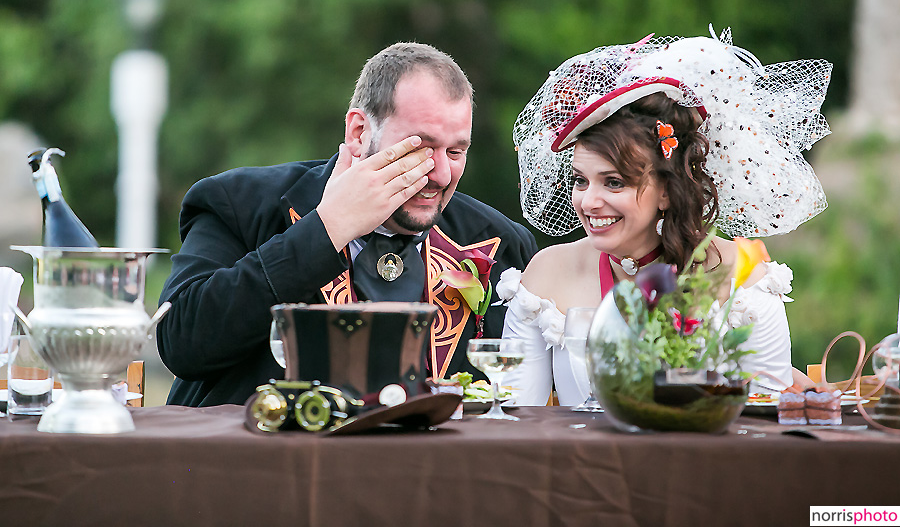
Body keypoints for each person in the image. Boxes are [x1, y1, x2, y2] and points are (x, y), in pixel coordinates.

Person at [157, 42, 537, 407]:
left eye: (456, 151)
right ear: (359, 133)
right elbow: (180, 343)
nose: (440, 173)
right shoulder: (239, 202)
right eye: (420, 147)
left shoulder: (499, 242)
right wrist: (326, 229)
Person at [499, 27, 830, 406]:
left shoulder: (742, 278)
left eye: (613, 183)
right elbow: (514, 415)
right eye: (580, 180)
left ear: (667, 190)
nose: (589, 201)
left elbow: (764, 425)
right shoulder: (549, 273)